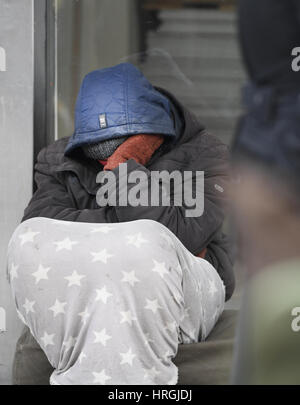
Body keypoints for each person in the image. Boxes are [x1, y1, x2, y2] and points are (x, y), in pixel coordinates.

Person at [9, 63, 234, 385]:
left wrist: (123, 170)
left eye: (120, 141)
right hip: (91, 282)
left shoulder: (206, 154)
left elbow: (178, 237)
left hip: (184, 286)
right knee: (29, 238)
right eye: (97, 146)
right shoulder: (57, 159)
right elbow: (42, 230)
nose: (104, 155)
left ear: (153, 134)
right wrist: (121, 227)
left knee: (145, 243)